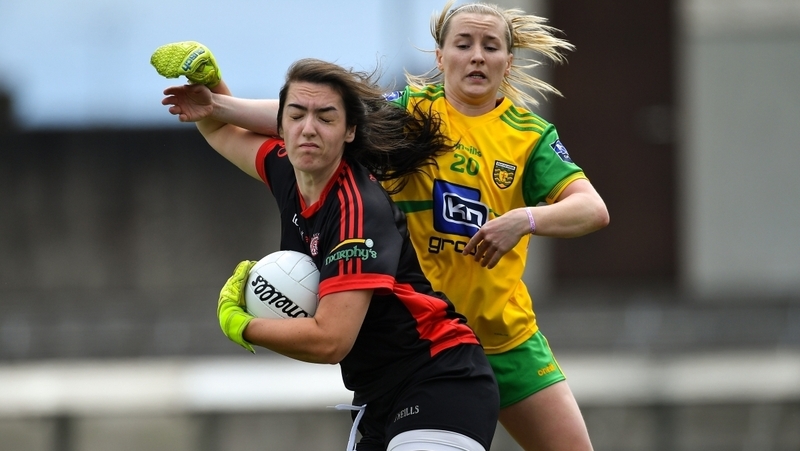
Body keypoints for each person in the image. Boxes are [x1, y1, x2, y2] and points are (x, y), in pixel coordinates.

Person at [154, 0, 611, 447]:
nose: (476, 55)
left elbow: (592, 209)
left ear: (508, 61)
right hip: (420, 343)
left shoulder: (529, 135)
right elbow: (307, 117)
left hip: (504, 337)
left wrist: (523, 219)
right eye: (464, 43)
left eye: (490, 46)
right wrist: (216, 103)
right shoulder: (411, 110)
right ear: (440, 56)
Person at [152, 47, 500, 451]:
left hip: (442, 380)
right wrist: (211, 90)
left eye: (326, 117)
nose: (309, 129)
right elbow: (218, 130)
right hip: (378, 398)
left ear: (349, 131)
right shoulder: (286, 169)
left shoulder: (357, 210)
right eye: (297, 115)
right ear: (280, 126)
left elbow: (331, 339)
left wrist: (241, 323)